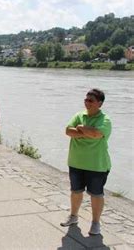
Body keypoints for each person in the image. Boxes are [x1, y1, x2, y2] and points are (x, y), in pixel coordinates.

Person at [60, 89, 112, 235]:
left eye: (91, 100)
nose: (87, 102)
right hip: (76, 162)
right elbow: (68, 131)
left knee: (96, 194)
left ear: (99, 103)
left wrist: (81, 129)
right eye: (86, 99)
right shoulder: (79, 115)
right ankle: (74, 216)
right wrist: (87, 132)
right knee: (75, 191)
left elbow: (97, 134)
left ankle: (95, 223)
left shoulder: (105, 120)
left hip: (96, 165)